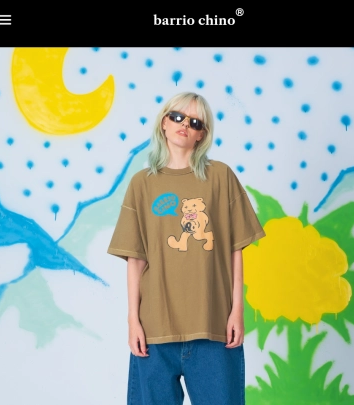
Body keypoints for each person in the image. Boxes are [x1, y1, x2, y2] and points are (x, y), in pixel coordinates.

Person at [107, 91, 266, 404]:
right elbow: (135, 260)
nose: (184, 125)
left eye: (195, 122)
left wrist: (237, 311)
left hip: (214, 326)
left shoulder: (220, 177)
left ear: (202, 135)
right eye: (177, 117)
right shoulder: (142, 184)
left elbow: (235, 250)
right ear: (163, 123)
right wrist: (133, 320)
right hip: (155, 329)